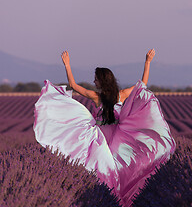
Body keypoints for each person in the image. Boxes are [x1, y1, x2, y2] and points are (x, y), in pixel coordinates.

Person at [33, 49, 176, 206]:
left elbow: (73, 85)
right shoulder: (121, 95)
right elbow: (142, 85)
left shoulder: (97, 97)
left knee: (101, 168)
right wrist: (147, 62)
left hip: (100, 136)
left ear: (102, 81)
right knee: (117, 169)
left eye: (96, 80)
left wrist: (67, 65)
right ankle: (118, 199)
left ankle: (107, 199)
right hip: (117, 136)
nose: (94, 82)